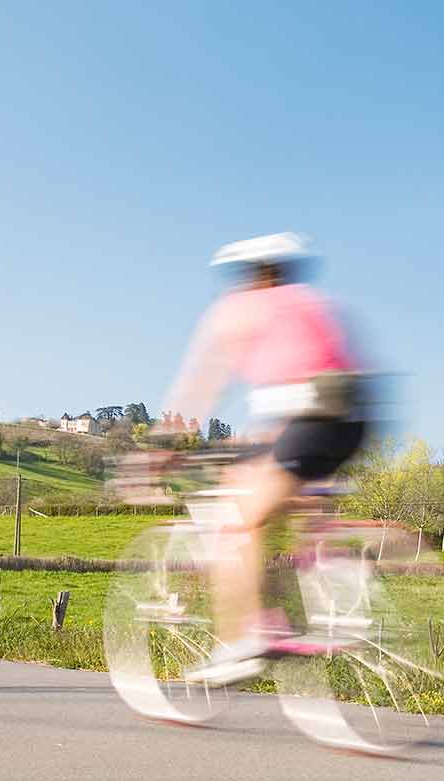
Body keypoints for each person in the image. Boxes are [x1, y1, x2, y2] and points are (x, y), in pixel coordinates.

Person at [152, 232, 368, 685]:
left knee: (237, 519)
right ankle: (336, 593)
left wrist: (163, 446)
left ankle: (245, 639)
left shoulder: (237, 310)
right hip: (353, 414)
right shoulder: (314, 302)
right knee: (289, 496)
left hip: (308, 417)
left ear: (250, 275)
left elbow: (202, 383)